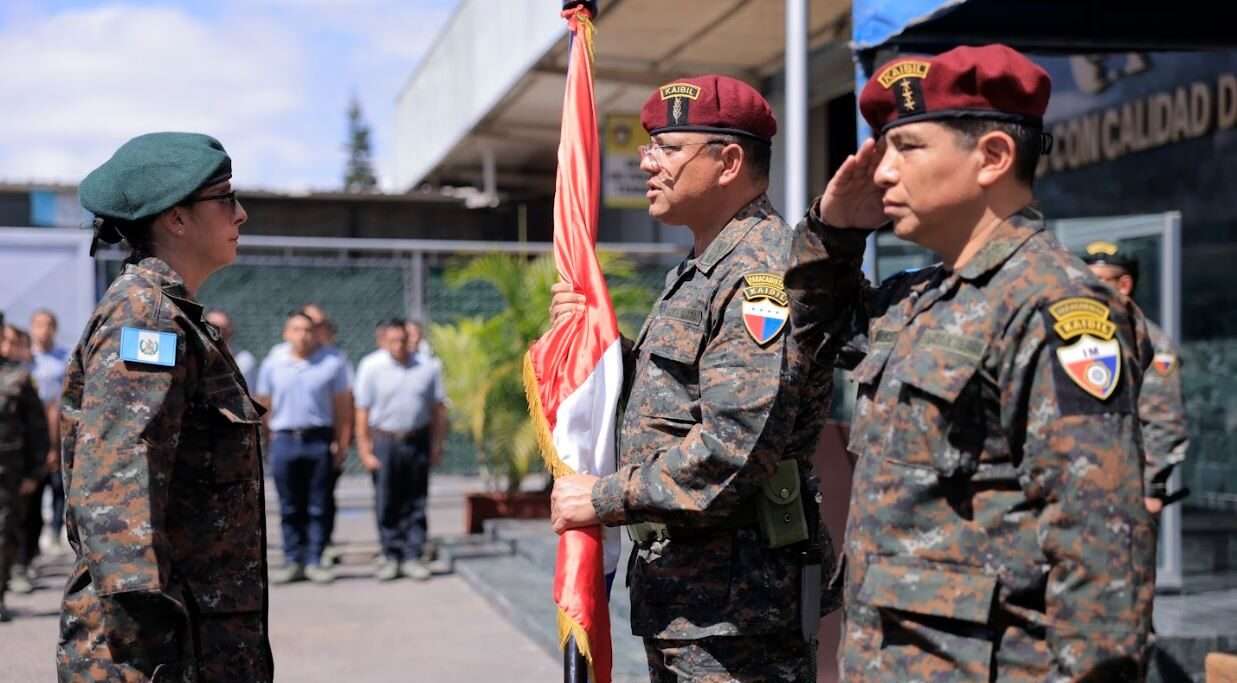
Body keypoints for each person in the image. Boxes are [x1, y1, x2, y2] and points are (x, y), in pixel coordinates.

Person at [784, 44, 1154, 680]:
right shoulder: (916, 297)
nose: (881, 173)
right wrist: (834, 234)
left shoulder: (1054, 302)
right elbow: (807, 339)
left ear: (992, 157)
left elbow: (1099, 552)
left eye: (908, 148)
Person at [549, 75, 837, 681]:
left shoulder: (761, 271)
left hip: (738, 613)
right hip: (695, 600)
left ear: (728, 161)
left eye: (668, 148)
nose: (646, 160)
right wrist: (601, 354)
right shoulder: (708, 265)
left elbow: (734, 449)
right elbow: (673, 398)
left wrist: (601, 499)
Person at [58, 132, 273, 680]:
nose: (241, 214)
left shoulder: (170, 315)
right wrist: (147, 649)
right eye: (226, 199)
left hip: (196, 640)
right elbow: (115, 494)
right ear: (176, 220)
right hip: (161, 656)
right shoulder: (145, 319)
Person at [1083, 240, 1190, 514]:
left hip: (1127, 492)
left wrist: (1151, 487)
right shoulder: (1081, 336)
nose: (1084, 288)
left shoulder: (1149, 341)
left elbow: (1164, 420)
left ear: (1124, 285)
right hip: (1080, 486)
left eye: (1097, 280)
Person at [256, 310, 352, 584]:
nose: (303, 335)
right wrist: (265, 439)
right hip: (284, 440)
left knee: (318, 505)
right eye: (296, 329)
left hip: (318, 440)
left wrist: (341, 443)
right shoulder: (274, 363)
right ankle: (292, 560)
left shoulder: (332, 361)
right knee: (288, 506)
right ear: (287, 333)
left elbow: (342, 407)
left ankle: (315, 559)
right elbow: (264, 403)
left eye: (308, 330)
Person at [353, 318, 447, 581]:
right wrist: (364, 449)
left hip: (417, 438)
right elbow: (362, 410)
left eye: (403, 340)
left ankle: (413, 555)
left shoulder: (428, 367)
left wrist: (437, 445)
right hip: (384, 441)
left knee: (416, 500)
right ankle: (390, 554)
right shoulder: (371, 366)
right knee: (386, 499)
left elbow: (437, 410)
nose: (398, 345)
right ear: (383, 340)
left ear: (410, 339)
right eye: (392, 340)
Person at [10, 309, 70, 596]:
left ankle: (39, 546)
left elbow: (58, 405)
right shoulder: (22, 362)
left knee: (53, 489)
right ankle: (21, 560)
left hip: (48, 430)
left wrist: (54, 444)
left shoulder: (61, 360)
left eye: (47, 326)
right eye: (37, 325)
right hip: (17, 437)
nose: (41, 331)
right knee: (24, 502)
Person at [0, 310, 49, 623]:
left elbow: (38, 429)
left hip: (8, 474)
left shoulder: (18, 377)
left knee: (3, 533)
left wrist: (34, 473)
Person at [205, 308, 257, 389]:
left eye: (223, 329)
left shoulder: (244, 360)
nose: (218, 333)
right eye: (212, 327)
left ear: (230, 331)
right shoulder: (189, 356)